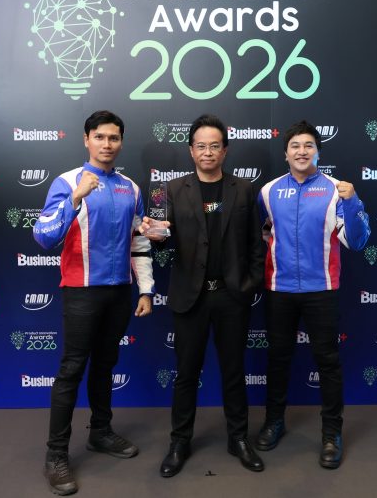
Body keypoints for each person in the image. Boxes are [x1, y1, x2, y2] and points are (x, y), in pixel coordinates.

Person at [33, 110, 154, 495]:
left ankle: (100, 432)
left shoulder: (131, 187)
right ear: (86, 140)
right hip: (81, 291)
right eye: (99, 137)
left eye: (114, 138)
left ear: (121, 142)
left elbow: (139, 240)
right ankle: (56, 455)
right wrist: (75, 198)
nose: (107, 144)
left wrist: (146, 289)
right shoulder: (68, 182)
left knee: (105, 365)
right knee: (72, 369)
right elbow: (44, 237)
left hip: (119, 292)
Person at [139, 114, 265, 477]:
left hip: (232, 297)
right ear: (191, 151)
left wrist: (250, 284)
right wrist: (155, 235)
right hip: (189, 297)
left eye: (214, 146)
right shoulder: (170, 189)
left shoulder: (244, 190)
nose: (207, 152)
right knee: (186, 373)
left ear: (224, 150)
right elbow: (160, 237)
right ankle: (179, 442)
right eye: (201, 146)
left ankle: (238, 438)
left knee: (234, 371)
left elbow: (256, 244)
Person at [254, 120, 370, 469]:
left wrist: (353, 202)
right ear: (286, 153)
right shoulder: (268, 192)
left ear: (318, 152)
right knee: (278, 359)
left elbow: (358, 241)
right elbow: (261, 235)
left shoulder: (337, 190)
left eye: (308, 145)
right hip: (280, 289)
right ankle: (274, 422)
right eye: (295, 146)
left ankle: (331, 433)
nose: (301, 151)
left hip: (322, 290)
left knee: (328, 362)